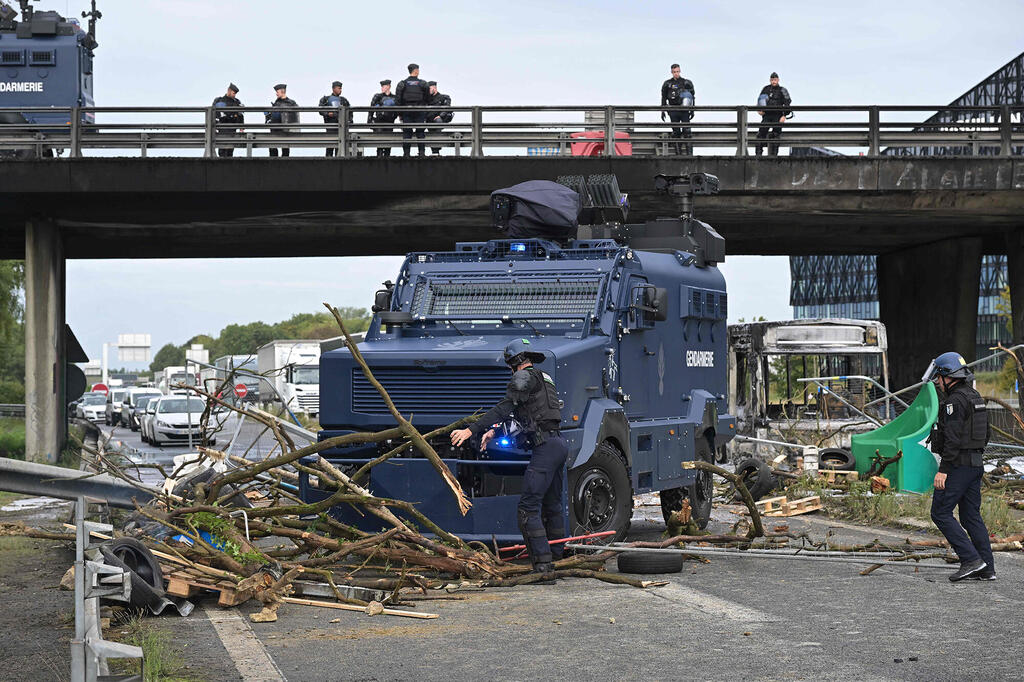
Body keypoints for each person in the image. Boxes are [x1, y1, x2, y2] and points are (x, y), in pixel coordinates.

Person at [450, 339, 567, 579]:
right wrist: (494, 432)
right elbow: (528, 416)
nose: (508, 370)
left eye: (508, 365)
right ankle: (559, 558)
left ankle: (543, 567)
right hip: (558, 444)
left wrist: (471, 430)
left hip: (545, 448)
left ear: (514, 362)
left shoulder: (523, 377)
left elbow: (504, 408)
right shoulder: (544, 378)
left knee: (527, 509)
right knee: (552, 505)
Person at [925, 351, 995, 582]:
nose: (937, 382)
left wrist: (943, 470)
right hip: (975, 464)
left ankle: (971, 559)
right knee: (970, 516)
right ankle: (987, 569)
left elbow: (953, 439)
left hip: (957, 466)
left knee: (940, 512)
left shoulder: (954, 402)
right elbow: (986, 433)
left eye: (939, 378)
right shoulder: (975, 396)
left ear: (948, 376)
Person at [395, 63, 430, 157]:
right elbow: (428, 98)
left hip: (406, 111)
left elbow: (398, 100)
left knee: (407, 132)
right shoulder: (423, 83)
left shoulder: (402, 84)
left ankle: (406, 154)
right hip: (420, 111)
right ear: (416, 71)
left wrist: (400, 114)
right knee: (420, 132)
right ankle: (421, 153)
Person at [660, 64, 695, 156]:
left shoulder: (686, 82)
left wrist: (693, 110)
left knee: (687, 131)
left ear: (680, 71)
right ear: (671, 72)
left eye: (677, 71)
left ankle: (689, 155)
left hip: (684, 110)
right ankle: (678, 154)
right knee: (676, 132)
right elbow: (664, 98)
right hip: (673, 110)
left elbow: (692, 96)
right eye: (674, 72)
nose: (676, 73)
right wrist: (662, 111)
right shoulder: (667, 84)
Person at [755, 72, 791, 157]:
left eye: (775, 80)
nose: (773, 81)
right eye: (772, 80)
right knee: (761, 133)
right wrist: (759, 109)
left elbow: (787, 103)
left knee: (776, 134)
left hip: (777, 115)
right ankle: (758, 154)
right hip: (767, 115)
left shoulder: (782, 90)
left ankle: (774, 156)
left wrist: (784, 115)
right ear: (770, 80)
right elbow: (760, 100)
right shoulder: (766, 89)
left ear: (778, 80)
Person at [319, 80, 352, 157]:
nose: (340, 90)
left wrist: (349, 120)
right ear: (333, 88)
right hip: (330, 126)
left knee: (340, 147)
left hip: (341, 127)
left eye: (341, 88)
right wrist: (327, 114)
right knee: (330, 146)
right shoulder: (326, 99)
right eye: (339, 88)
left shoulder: (343, 100)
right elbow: (320, 110)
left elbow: (350, 111)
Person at [265, 84, 298, 157]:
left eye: (277, 92)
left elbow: (295, 115)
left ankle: (284, 162)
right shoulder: (276, 103)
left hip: (285, 129)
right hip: (275, 128)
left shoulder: (291, 103)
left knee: (285, 148)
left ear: (282, 91)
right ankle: (273, 161)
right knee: (272, 147)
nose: (276, 94)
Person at [212, 83, 243, 158]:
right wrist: (213, 126)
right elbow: (213, 114)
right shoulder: (219, 101)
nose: (234, 95)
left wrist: (241, 127)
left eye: (235, 94)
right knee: (222, 148)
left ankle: (229, 162)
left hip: (233, 127)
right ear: (229, 91)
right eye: (233, 93)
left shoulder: (237, 102)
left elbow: (240, 114)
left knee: (230, 149)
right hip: (222, 127)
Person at [368, 80, 398, 157]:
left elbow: (398, 109)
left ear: (388, 86)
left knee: (389, 141)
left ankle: (387, 157)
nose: (382, 88)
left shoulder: (394, 97)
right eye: (382, 86)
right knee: (380, 141)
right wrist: (369, 121)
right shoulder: (377, 96)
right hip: (379, 121)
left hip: (390, 121)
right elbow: (371, 109)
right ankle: (379, 157)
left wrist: (395, 116)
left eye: (384, 86)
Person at [425, 81, 453, 155]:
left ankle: (436, 150)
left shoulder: (443, 97)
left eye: (429, 89)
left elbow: (447, 107)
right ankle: (431, 151)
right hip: (428, 120)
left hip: (438, 119)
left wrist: (441, 115)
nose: (428, 91)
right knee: (430, 133)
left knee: (437, 123)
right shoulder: (426, 99)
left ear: (434, 88)